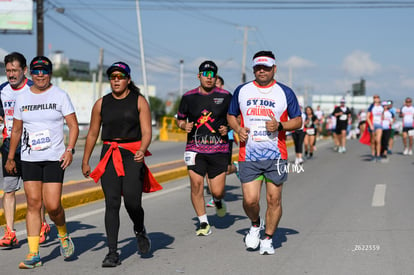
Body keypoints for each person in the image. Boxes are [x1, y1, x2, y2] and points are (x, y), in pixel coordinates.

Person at [5, 56, 79, 269]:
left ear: (50, 73)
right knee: (33, 203)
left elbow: (73, 126)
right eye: (36, 71)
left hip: (54, 159)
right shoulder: (23, 98)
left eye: (44, 71)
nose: (40, 75)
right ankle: (34, 253)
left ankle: (63, 233)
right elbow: (16, 130)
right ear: (30, 73)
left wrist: (70, 150)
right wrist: (11, 157)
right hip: (30, 158)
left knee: (53, 205)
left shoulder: (60, 95)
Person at [82, 62, 157, 267]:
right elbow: (92, 133)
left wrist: (142, 148)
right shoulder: (101, 103)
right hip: (109, 155)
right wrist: (85, 160)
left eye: (120, 76)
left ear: (128, 80)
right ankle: (112, 252)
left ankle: (139, 229)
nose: (116, 79)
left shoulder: (139, 101)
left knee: (132, 202)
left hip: (133, 155)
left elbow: (147, 132)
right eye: (113, 76)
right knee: (112, 203)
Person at [227, 50, 302, 255]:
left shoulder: (285, 92)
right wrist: (238, 129)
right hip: (248, 154)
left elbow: (298, 121)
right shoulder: (242, 90)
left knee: (273, 200)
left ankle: (268, 238)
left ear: (274, 69)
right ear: (253, 69)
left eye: (266, 67)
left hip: (276, 155)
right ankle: (254, 225)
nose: (262, 71)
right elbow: (231, 115)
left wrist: (280, 125)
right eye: (258, 67)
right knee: (250, 200)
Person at [0, 52, 51, 249]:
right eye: (8, 70)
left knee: (34, 192)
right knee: (9, 189)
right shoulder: (2, 91)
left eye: (15, 70)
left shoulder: (34, 89)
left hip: (33, 146)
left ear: (24, 71)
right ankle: (10, 232)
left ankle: (41, 225)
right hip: (9, 147)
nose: (11, 74)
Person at [176, 61, 231, 236]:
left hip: (219, 149)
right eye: (205, 75)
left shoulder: (226, 96)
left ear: (216, 77)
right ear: (199, 76)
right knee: (196, 185)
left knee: (218, 191)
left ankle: (218, 201)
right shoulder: (188, 97)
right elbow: (180, 118)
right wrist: (183, 125)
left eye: (212, 75)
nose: (209, 78)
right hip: (195, 149)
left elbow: (234, 118)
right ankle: (203, 223)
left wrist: (228, 128)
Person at [205, 75, 238, 208]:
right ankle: (215, 197)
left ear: (222, 86)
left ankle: (236, 167)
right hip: (208, 139)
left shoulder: (227, 99)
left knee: (222, 168)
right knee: (208, 168)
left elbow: (236, 118)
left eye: (217, 83)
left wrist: (229, 127)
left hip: (226, 137)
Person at [367, 95, 384, 161]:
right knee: (373, 141)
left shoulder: (381, 107)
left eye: (377, 98)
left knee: (378, 140)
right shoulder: (371, 107)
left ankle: (378, 155)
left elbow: (383, 116)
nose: (376, 99)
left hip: (379, 125)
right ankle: (373, 154)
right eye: (375, 98)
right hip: (373, 124)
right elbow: (367, 117)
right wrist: (370, 125)